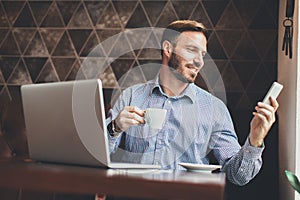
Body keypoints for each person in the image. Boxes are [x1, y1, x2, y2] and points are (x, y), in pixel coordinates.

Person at [105, 20, 279, 187]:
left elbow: (238, 176)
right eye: (191, 50)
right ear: (167, 48)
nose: (199, 61)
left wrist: (255, 139)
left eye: (202, 54)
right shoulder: (131, 96)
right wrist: (115, 127)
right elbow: (99, 155)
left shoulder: (214, 109)